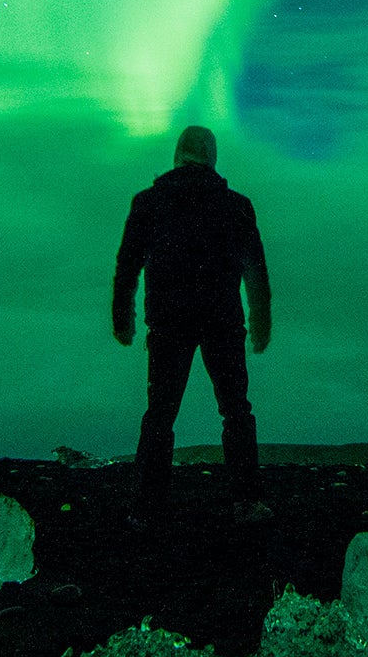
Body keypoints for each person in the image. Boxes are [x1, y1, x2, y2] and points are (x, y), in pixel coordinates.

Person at [112, 124, 272, 527]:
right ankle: (246, 502)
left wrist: (123, 318)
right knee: (236, 410)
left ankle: (147, 509)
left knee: (160, 413)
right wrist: (260, 319)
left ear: (177, 155)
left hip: (169, 320)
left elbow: (127, 267)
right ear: (212, 157)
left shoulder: (149, 202)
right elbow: (256, 269)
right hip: (222, 319)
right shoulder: (236, 205)